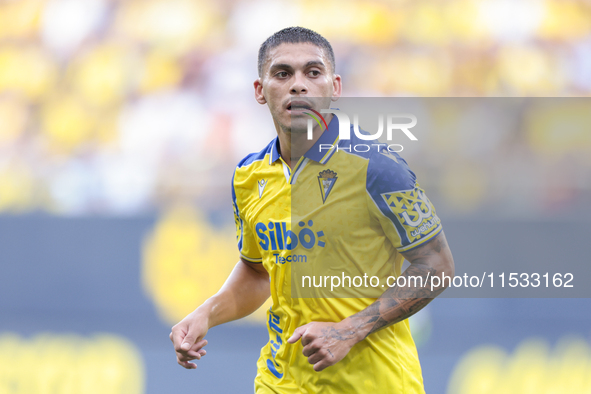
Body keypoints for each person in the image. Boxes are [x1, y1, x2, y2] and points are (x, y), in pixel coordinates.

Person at [170, 26, 455, 393]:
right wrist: (205, 313)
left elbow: (437, 265)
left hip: (375, 384)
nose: (298, 85)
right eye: (283, 73)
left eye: (313, 72)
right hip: (281, 382)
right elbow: (259, 273)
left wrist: (348, 331)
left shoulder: (379, 168)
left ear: (334, 86)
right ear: (260, 90)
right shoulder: (248, 176)